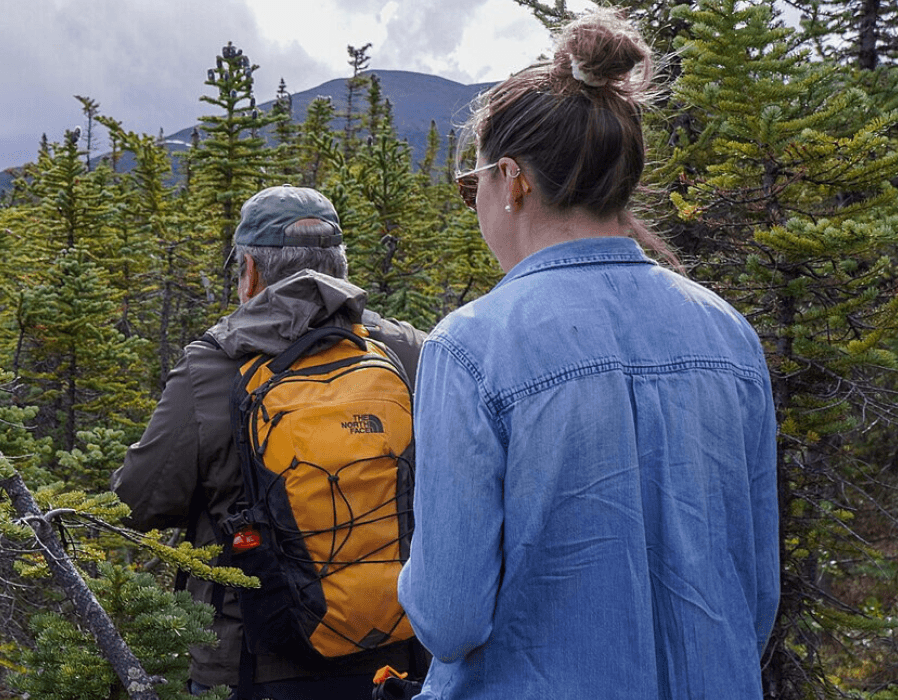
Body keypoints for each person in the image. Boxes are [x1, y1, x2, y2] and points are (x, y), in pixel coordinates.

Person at [396, 10, 778, 699]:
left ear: (511, 180)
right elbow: (752, 602)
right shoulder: (728, 334)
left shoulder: (472, 346)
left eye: (471, 183)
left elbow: (449, 619)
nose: (474, 200)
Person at [112, 185, 429, 698]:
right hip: (397, 653)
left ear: (251, 272)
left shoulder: (212, 365)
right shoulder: (405, 350)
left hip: (254, 662)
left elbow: (140, 502)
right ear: (341, 268)